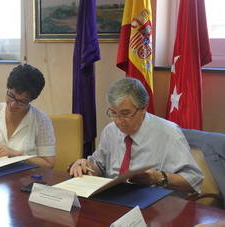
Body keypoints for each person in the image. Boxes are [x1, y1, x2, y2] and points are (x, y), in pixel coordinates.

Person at [69, 77, 204, 194]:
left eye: (125, 113)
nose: (118, 121)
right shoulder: (110, 131)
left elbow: (193, 180)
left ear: (144, 108)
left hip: (155, 205)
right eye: (113, 113)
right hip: (113, 199)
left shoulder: (168, 133)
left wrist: (158, 178)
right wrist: (86, 166)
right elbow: (100, 166)